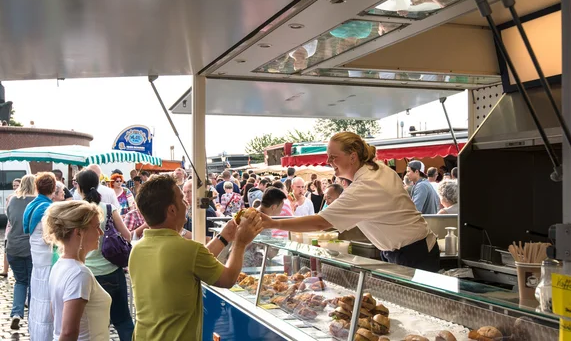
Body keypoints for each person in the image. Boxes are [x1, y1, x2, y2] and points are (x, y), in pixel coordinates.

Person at [260, 132, 439, 272]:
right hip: (409, 249)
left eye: (333, 157)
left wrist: (272, 222)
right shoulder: (376, 170)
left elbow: (321, 222)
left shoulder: (367, 184)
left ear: (353, 157)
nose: (328, 161)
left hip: (414, 254)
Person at [129, 175, 263, 340]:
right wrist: (240, 243)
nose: (186, 203)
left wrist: (224, 237)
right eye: (182, 199)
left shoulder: (137, 249)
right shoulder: (187, 250)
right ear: (172, 210)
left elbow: (190, 263)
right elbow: (228, 278)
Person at [77, 170, 134, 340]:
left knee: (95, 324)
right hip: (112, 271)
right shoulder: (109, 208)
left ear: (79, 188)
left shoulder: (78, 210)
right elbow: (127, 235)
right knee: (123, 320)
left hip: (88, 273)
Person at [44, 200, 112, 340]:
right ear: (79, 232)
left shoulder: (59, 265)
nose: (100, 232)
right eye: (96, 227)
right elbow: (69, 332)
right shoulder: (79, 273)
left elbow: (56, 314)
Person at [23, 172, 57, 339]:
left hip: (36, 258)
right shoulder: (47, 208)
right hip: (46, 259)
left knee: (37, 299)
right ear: (52, 188)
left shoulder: (32, 205)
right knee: (45, 300)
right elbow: (47, 236)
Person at [6, 174, 36, 330]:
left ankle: (17, 313)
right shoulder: (36, 202)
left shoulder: (12, 200)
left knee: (20, 281)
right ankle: (32, 316)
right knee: (33, 282)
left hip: (13, 246)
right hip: (30, 247)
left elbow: (10, 220)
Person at [1, 178, 21, 278]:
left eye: (17, 185)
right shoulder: (10, 197)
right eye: (14, 185)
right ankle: (5, 270)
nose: (15, 187)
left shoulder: (23, 198)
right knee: (6, 249)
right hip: (10, 227)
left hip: (18, 228)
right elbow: (7, 212)